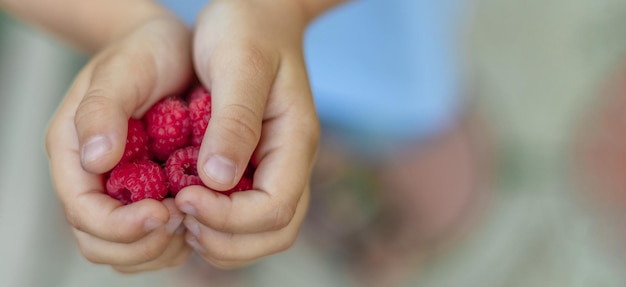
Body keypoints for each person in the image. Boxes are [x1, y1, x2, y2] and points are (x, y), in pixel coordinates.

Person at [0, 0, 479, 283]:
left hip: (359, 27)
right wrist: (124, 27)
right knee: (263, 145)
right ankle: (236, 203)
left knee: (390, 114)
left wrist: (285, 8)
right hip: (174, 32)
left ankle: (321, 165)